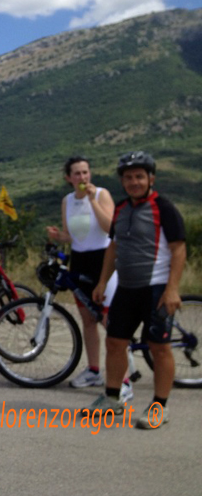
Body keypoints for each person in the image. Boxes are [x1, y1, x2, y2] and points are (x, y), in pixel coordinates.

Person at [84, 151, 186, 429]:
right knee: (115, 341)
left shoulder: (163, 208)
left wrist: (173, 289)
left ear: (151, 178)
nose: (134, 182)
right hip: (127, 288)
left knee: (158, 347)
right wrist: (103, 282)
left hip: (157, 289)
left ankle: (158, 408)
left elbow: (178, 249)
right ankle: (112, 398)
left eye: (139, 176)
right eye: (128, 178)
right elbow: (114, 247)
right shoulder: (120, 208)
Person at [45, 156, 130, 400]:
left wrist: (92, 200)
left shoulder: (101, 194)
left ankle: (122, 378)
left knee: (110, 321)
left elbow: (109, 228)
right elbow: (73, 236)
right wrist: (57, 236)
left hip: (103, 261)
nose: (82, 178)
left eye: (85, 172)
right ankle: (94, 370)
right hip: (79, 261)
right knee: (88, 319)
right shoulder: (67, 200)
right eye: (77, 174)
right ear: (68, 178)